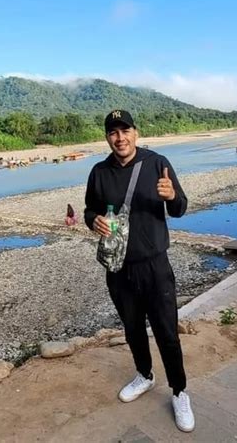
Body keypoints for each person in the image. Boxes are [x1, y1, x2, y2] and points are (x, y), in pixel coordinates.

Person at [84, 109, 195, 433]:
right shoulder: (99, 172)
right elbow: (89, 209)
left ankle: (179, 391)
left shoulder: (157, 163)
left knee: (167, 332)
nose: (120, 138)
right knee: (132, 329)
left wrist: (172, 196)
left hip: (154, 265)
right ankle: (145, 375)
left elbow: (180, 208)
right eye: (113, 132)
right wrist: (94, 221)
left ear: (136, 133)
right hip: (118, 267)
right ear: (107, 137)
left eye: (125, 131)